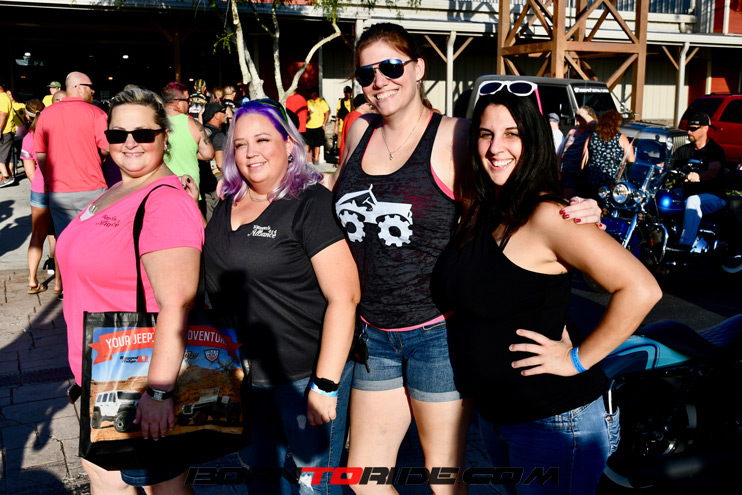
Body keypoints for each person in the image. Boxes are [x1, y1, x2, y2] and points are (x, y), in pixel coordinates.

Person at [328, 23, 604, 494]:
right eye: (366, 73)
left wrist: (577, 211)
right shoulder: (358, 130)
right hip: (373, 332)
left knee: (443, 479)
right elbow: (332, 199)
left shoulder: (454, 135)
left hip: (437, 333)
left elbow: (509, 189)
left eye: (391, 66)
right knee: (361, 477)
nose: (379, 81)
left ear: (418, 68)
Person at [432, 91, 662, 495]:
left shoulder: (549, 216)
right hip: (499, 419)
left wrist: (576, 359)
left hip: (555, 421)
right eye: (485, 134)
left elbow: (641, 289)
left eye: (512, 134)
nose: (496, 147)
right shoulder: (483, 210)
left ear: (535, 141)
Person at [199, 99, 360, 495]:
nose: (250, 152)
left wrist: (325, 385)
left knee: (313, 487)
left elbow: (345, 297)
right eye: (240, 144)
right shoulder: (228, 200)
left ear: (289, 144)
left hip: (303, 376)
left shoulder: (309, 202)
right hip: (244, 378)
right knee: (261, 481)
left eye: (262, 140)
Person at [56, 87, 203, 494]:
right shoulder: (116, 189)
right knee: (107, 483)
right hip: (102, 376)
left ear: (164, 136)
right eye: (118, 134)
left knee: (162, 490)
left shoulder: (164, 203)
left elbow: (177, 303)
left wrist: (159, 392)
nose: (130, 143)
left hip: (138, 380)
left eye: (143, 133)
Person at [34, 71, 109, 238]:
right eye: (90, 87)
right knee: (93, 240)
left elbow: (41, 152)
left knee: (64, 240)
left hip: (59, 191)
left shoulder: (46, 114)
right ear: (79, 87)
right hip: (92, 187)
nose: (93, 91)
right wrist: (98, 158)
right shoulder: (97, 113)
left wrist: (47, 179)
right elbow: (106, 148)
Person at [669, 112, 728, 252]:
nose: (689, 131)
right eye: (688, 128)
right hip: (687, 192)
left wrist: (698, 176)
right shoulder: (683, 151)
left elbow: (713, 171)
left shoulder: (714, 151)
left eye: (693, 128)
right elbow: (667, 166)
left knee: (693, 201)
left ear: (705, 128)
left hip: (713, 196)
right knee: (665, 197)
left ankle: (685, 245)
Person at [21, 99, 62, 295]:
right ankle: (59, 284)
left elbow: (30, 173)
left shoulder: (28, 139)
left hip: (39, 189)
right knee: (59, 235)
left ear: (27, 117)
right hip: (60, 187)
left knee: (37, 235)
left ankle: (32, 279)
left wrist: (41, 183)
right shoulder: (55, 134)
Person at [162, 82, 215, 192]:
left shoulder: (155, 122)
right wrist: (189, 150)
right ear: (178, 102)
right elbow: (208, 154)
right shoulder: (193, 124)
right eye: (187, 100)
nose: (190, 103)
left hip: (161, 188)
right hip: (189, 189)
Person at [583, 109, 635, 198]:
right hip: (611, 181)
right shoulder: (621, 138)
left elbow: (584, 158)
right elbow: (631, 160)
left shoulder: (591, 136)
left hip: (593, 179)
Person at [559, 106, 596, 199]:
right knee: (567, 200)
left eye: (580, 116)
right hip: (567, 172)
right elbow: (562, 151)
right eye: (576, 116)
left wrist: (583, 114)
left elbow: (595, 124)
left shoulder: (591, 132)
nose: (577, 118)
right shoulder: (572, 131)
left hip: (581, 175)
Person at [338, 94, 374, 164]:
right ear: (362, 106)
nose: (371, 107)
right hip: (352, 158)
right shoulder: (359, 118)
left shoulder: (350, 115)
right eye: (369, 104)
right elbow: (355, 140)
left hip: (347, 156)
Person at [306, 86, 330, 164]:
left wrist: (324, 124)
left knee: (317, 144)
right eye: (310, 93)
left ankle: (316, 159)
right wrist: (308, 113)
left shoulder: (321, 102)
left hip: (318, 126)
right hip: (308, 125)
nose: (311, 94)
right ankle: (305, 159)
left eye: (312, 93)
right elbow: (305, 113)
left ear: (315, 93)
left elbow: (327, 113)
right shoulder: (308, 102)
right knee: (307, 143)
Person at [0, 83, 17, 187]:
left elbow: (3, 114)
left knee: (1, 156)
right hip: (8, 131)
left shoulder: (2, 97)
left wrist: (0, 129)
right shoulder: (5, 97)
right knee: (8, 156)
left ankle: (6, 177)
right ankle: (8, 176)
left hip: (5, 131)